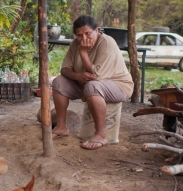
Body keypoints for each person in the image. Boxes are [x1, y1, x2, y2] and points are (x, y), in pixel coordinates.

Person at [51, 15, 133, 149]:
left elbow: (96, 76)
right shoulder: (75, 43)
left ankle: (101, 134)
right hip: (86, 83)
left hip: (119, 85)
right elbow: (65, 70)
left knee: (92, 86)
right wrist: (77, 76)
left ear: (96, 30)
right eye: (79, 35)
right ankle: (61, 126)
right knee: (58, 82)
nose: (84, 38)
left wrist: (83, 53)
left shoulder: (107, 43)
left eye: (87, 33)